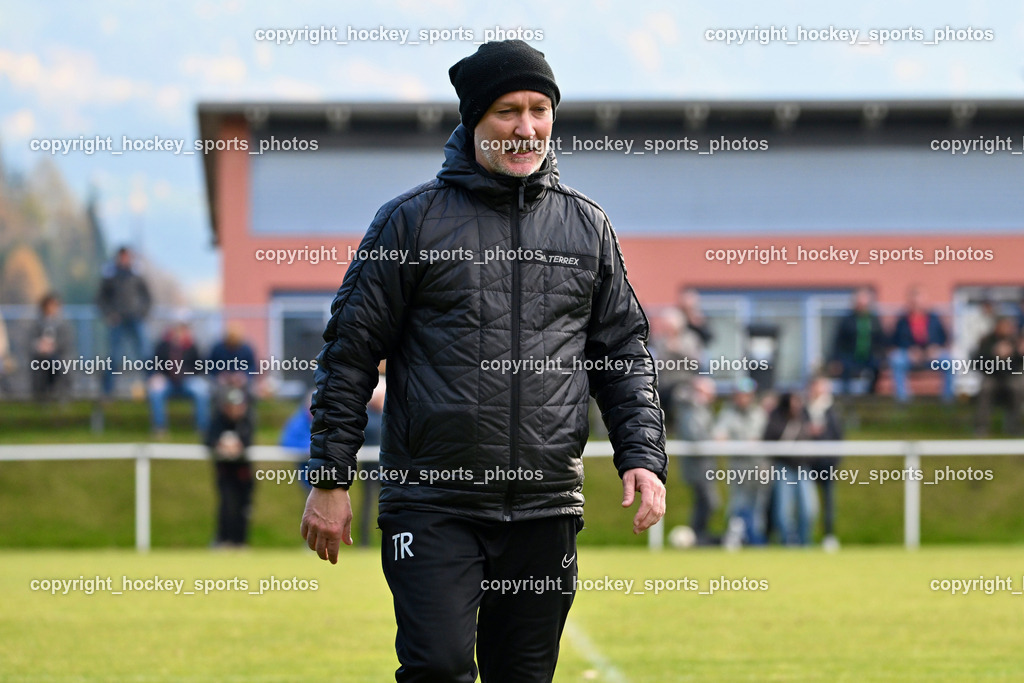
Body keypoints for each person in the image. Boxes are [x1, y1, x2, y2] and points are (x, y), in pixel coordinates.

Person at [299, 40, 667, 683]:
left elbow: (622, 352)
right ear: (473, 121)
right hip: (432, 502)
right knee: (438, 667)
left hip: (546, 504)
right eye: (507, 111)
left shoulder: (587, 228)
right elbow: (349, 355)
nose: (527, 127)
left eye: (540, 110)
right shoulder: (408, 225)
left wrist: (641, 453)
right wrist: (330, 477)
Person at [713, 377, 767, 547]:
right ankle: (735, 540)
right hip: (738, 468)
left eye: (747, 394)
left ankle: (756, 541)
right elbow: (719, 435)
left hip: (760, 468)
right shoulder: (727, 413)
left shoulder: (760, 413)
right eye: (740, 394)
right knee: (737, 504)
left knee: (758, 506)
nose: (743, 398)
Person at [97, 246, 151, 397]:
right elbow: (101, 299)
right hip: (117, 321)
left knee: (145, 353)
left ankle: (152, 388)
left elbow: (147, 297)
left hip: (135, 319)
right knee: (113, 356)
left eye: (128, 257)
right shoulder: (110, 275)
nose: (126, 260)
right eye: (123, 257)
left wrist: (142, 313)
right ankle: (107, 392)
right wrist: (109, 314)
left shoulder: (136, 275)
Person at [206, 383, 255, 547]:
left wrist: (238, 447)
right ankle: (223, 540)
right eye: (232, 406)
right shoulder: (218, 420)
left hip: (243, 472)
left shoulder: (247, 420)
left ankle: (240, 542)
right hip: (225, 471)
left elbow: (247, 441)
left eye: (239, 405)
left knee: (244, 507)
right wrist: (219, 445)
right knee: (226, 506)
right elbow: (209, 439)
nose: (236, 409)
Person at [888, 285, 953, 403]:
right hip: (909, 355)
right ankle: (903, 400)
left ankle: (947, 399)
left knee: (949, 361)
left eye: (919, 299)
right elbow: (895, 340)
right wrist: (909, 350)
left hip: (931, 355)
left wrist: (935, 348)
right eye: (914, 300)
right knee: (896, 360)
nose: (917, 303)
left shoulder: (934, 318)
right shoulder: (902, 320)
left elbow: (944, 337)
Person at [147, 320, 209, 438]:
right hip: (168, 380)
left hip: (187, 380)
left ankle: (203, 428)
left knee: (202, 391)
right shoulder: (163, 346)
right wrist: (156, 376)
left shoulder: (192, 347)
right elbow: (154, 364)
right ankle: (160, 428)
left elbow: (200, 367)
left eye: (182, 330)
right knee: (155, 392)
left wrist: (186, 372)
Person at [676, 377, 719, 546]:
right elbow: (694, 435)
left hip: (704, 466)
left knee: (706, 503)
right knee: (706, 502)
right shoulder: (691, 409)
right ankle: (697, 537)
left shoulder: (700, 409)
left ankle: (699, 537)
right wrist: (713, 439)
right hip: (697, 467)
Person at [803, 375, 844, 550]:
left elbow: (838, 437)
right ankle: (804, 537)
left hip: (826, 465)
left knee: (828, 503)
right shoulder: (803, 409)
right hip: (806, 464)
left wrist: (833, 462)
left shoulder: (832, 411)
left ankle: (828, 536)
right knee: (807, 505)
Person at [830, 287, 886, 395]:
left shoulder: (874, 320)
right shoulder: (847, 320)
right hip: (850, 355)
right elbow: (837, 341)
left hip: (869, 356)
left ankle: (871, 394)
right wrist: (835, 359)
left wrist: (882, 356)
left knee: (877, 366)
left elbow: (881, 340)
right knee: (845, 367)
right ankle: (847, 395)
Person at [973, 316, 1021, 435]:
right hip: (993, 377)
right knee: (986, 388)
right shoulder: (987, 341)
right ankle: (981, 428)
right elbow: (977, 362)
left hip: (1011, 377)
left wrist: (1017, 353)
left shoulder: (1016, 341)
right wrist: (993, 354)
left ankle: (1013, 427)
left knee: (1018, 388)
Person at [30, 293, 75, 401]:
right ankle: (43, 395)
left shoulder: (64, 324)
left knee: (56, 363)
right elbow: (30, 340)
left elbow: (67, 342)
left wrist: (53, 347)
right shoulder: (37, 323)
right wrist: (40, 346)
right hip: (41, 355)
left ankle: (58, 393)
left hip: (59, 355)